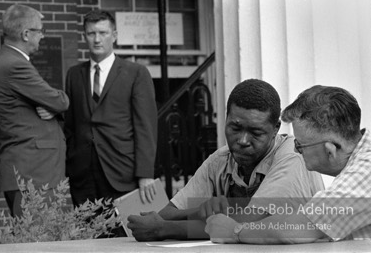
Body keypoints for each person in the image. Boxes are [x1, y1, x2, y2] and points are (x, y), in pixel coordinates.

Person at [127, 79, 324, 241]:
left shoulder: (293, 155)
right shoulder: (220, 160)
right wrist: (197, 211)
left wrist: (164, 230)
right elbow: (167, 214)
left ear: (276, 129)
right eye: (235, 128)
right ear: (226, 118)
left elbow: (246, 222)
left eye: (256, 132)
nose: (243, 141)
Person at [205, 85, 371, 243]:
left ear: (331, 150)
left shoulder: (364, 174)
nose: (296, 151)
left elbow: (291, 231)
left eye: (300, 145)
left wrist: (235, 232)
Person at [64, 10, 158, 207]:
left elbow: (145, 128)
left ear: (114, 36)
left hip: (122, 173)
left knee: (124, 236)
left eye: (103, 33)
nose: (97, 39)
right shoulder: (74, 75)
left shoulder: (136, 73)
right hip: (83, 175)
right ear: (85, 36)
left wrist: (145, 174)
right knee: (87, 235)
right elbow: (70, 125)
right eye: (91, 33)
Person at [0, 4, 69, 217]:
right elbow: (58, 100)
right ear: (26, 34)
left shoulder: (8, 61)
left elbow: (46, 104)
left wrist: (51, 109)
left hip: (30, 173)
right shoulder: (15, 65)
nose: (42, 36)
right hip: (32, 174)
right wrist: (57, 104)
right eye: (40, 30)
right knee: (37, 246)